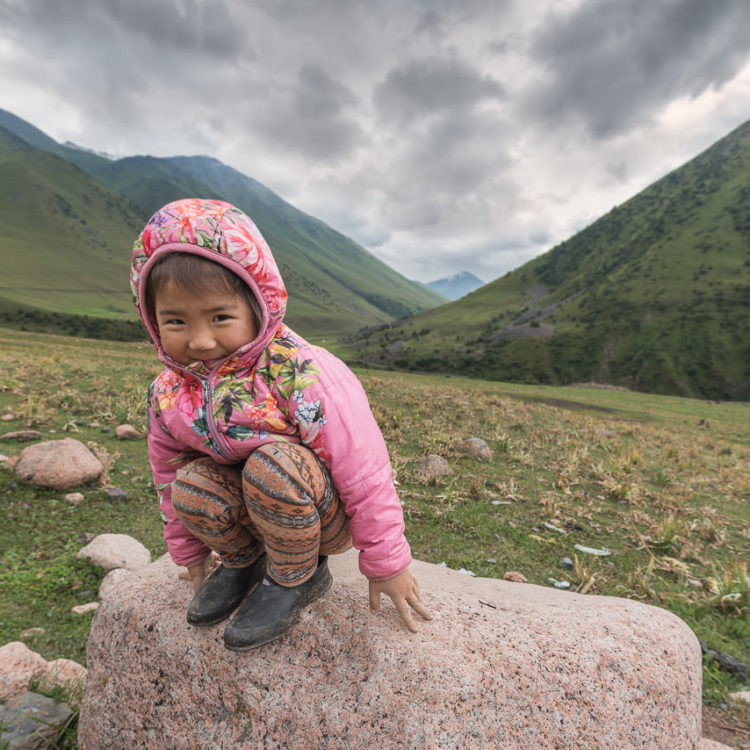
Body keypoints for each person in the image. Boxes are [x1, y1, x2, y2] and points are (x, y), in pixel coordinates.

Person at [130, 198, 431, 651]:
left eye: (220, 317)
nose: (200, 340)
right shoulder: (169, 390)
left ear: (258, 304)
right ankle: (243, 562)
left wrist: (387, 562)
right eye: (175, 320)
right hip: (253, 513)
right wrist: (189, 553)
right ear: (153, 319)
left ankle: (297, 576)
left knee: (274, 465)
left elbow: (361, 466)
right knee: (189, 484)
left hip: (319, 514)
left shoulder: (301, 370)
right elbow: (166, 473)